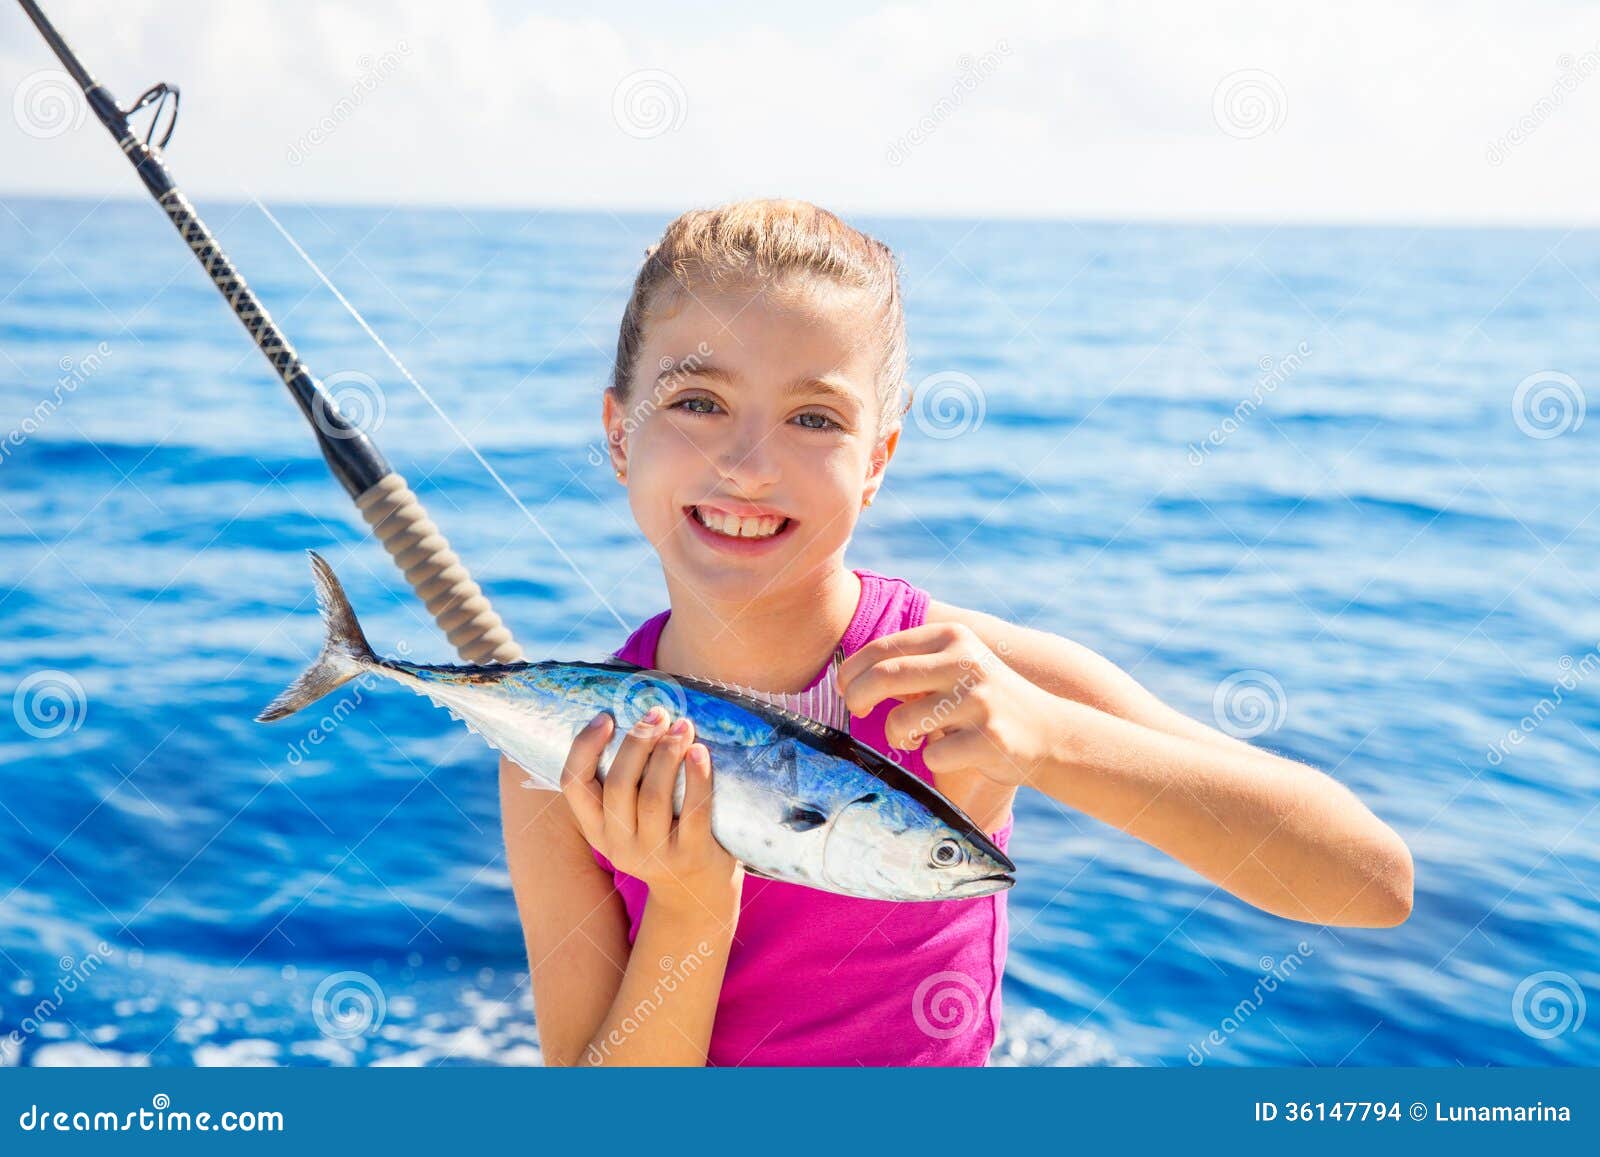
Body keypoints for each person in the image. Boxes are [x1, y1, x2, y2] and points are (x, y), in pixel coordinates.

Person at [498, 198, 1413, 1067]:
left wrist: (1052, 741)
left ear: (877, 462)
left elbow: (1370, 881)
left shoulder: (968, 682)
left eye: (813, 418)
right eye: (698, 400)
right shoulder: (561, 754)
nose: (746, 465)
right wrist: (692, 908)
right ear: (620, 432)